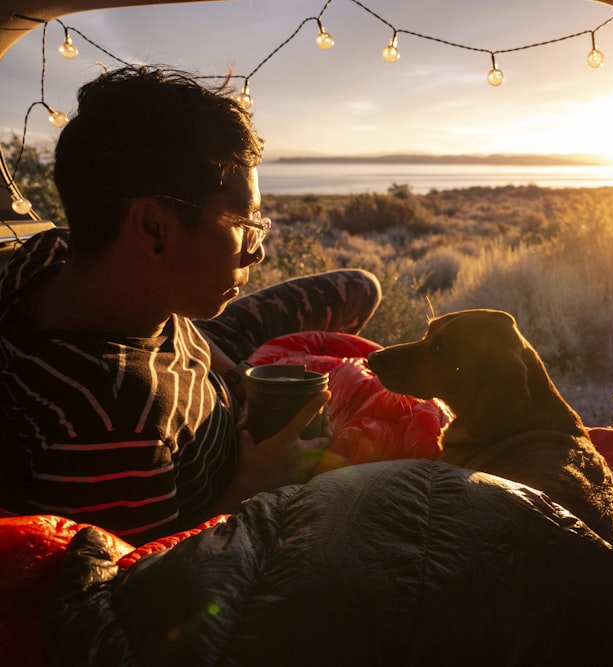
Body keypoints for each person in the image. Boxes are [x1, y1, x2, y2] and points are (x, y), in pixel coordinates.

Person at [0, 66, 381, 545]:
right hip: (226, 496)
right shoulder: (111, 427)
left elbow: (160, 311)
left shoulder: (55, 254)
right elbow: (148, 584)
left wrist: (236, 375)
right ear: (154, 227)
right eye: (242, 221)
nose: (256, 250)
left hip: (209, 355)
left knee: (359, 286)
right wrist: (255, 487)